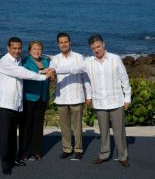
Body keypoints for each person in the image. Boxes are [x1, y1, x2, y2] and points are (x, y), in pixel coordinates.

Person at [51, 34, 131, 167]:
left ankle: (122, 156)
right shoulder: (88, 62)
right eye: (94, 48)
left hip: (116, 101)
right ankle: (104, 155)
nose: (97, 50)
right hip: (99, 102)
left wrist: (127, 98)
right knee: (103, 131)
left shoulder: (115, 59)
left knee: (119, 132)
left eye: (98, 46)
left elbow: (124, 79)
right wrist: (54, 69)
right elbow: (72, 69)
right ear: (91, 48)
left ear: (103, 44)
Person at [0, 37, 53, 175]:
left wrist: (42, 72)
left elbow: (24, 73)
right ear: (8, 48)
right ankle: (6, 165)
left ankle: (14, 159)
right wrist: (44, 76)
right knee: (5, 136)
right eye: (14, 48)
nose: (17, 50)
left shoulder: (18, 61)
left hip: (16, 104)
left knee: (12, 135)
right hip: (5, 104)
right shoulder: (5, 61)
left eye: (18, 48)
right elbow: (23, 73)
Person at [49, 32, 92, 160]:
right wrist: (51, 74)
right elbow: (51, 73)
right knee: (64, 126)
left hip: (77, 96)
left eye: (65, 42)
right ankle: (67, 149)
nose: (64, 44)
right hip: (61, 97)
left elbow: (85, 77)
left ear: (70, 42)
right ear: (58, 44)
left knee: (78, 126)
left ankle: (78, 149)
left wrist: (88, 95)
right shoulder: (54, 59)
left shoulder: (79, 57)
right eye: (61, 42)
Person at [17, 40, 50, 161]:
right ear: (30, 51)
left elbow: (49, 77)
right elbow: (27, 74)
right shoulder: (25, 62)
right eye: (34, 49)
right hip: (29, 97)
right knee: (26, 126)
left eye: (39, 49)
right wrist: (41, 72)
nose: (37, 51)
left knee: (38, 126)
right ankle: (24, 152)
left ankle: (37, 151)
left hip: (42, 97)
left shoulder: (46, 61)